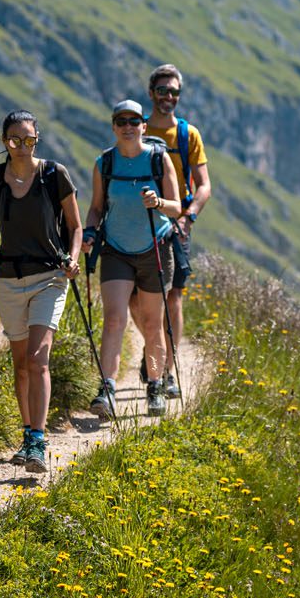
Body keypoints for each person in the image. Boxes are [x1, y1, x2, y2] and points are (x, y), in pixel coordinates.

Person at [0, 110, 84, 474]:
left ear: (37, 139)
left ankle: (36, 439)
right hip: (8, 280)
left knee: (37, 358)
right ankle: (27, 433)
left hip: (49, 276)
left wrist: (73, 259)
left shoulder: (53, 174)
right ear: (4, 141)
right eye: (15, 139)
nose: (21, 145)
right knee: (20, 365)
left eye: (28, 139)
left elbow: (76, 226)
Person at [84, 99, 184, 418]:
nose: (127, 127)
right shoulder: (105, 163)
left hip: (154, 246)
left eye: (133, 121)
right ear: (114, 126)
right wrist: (89, 231)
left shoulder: (158, 158)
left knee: (153, 322)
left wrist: (158, 202)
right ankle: (107, 387)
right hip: (116, 248)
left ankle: (155, 384)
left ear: (143, 125)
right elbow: (97, 206)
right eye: (121, 121)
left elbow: (177, 207)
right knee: (114, 318)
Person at [139, 63, 211, 401]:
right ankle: (152, 349)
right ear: (151, 92)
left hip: (176, 223)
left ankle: (167, 369)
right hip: (138, 221)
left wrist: (189, 217)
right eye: (163, 90)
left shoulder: (187, 135)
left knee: (173, 296)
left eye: (174, 92)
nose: (169, 97)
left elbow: (204, 185)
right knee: (135, 297)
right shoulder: (135, 128)